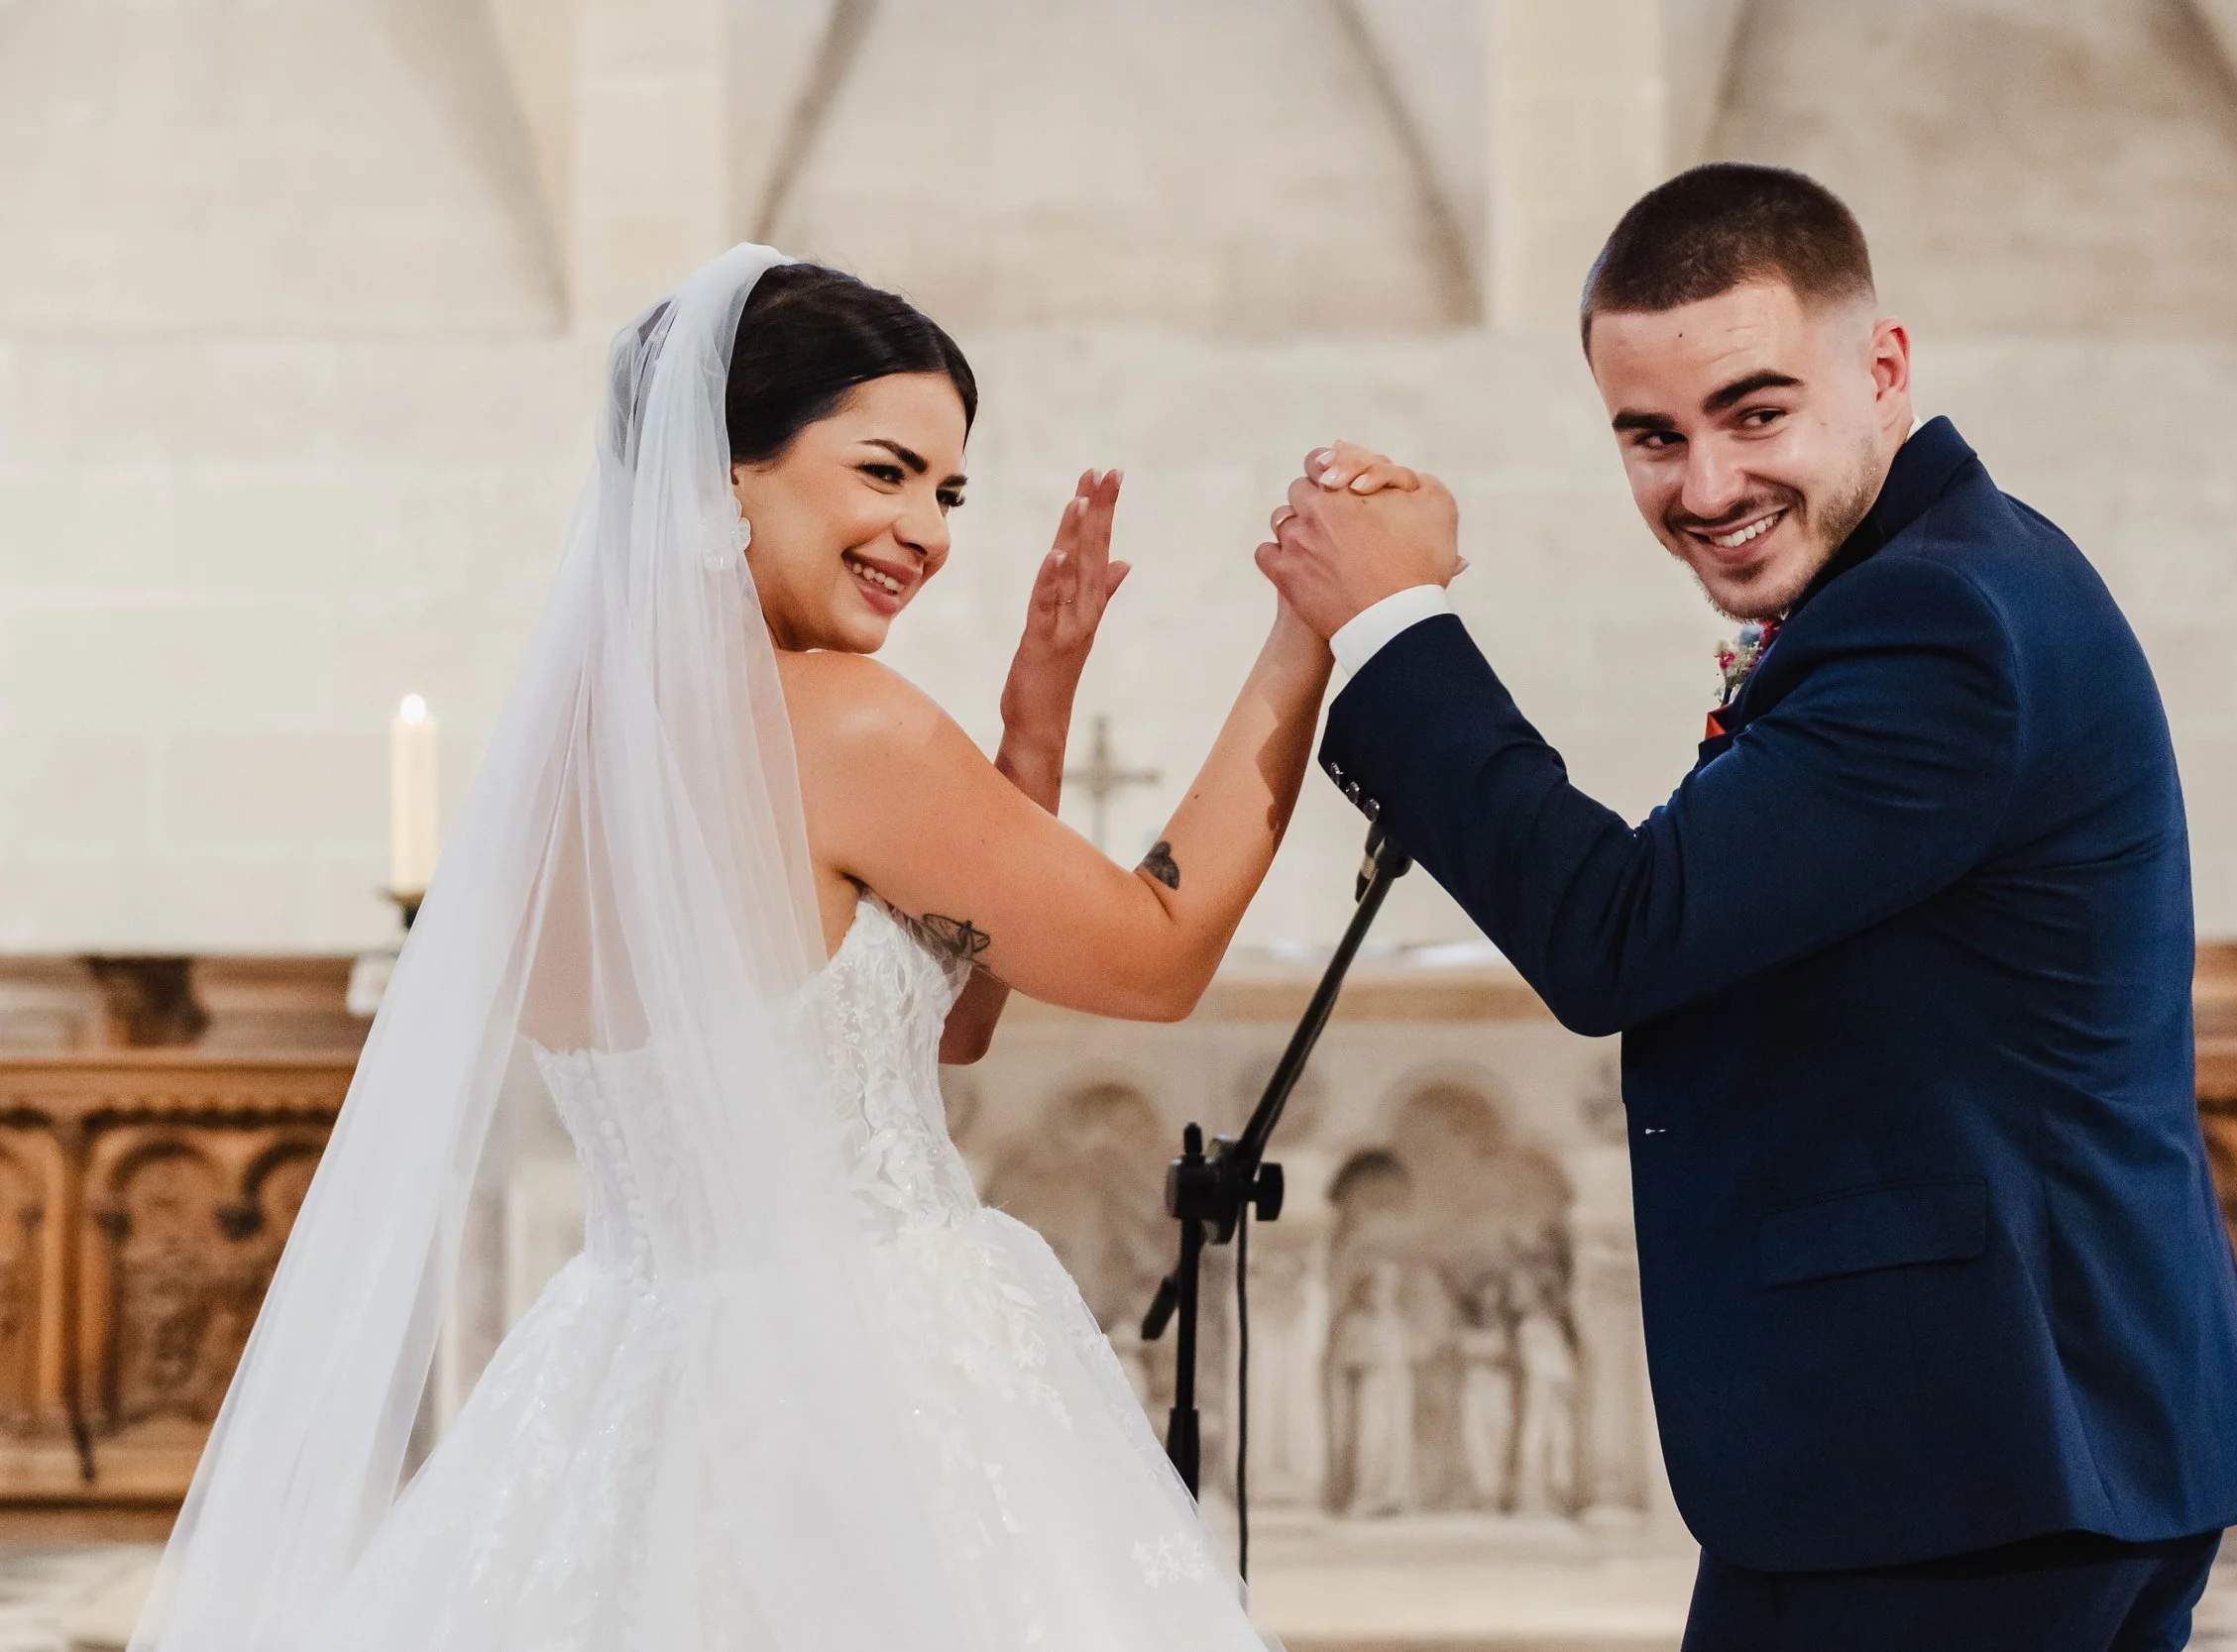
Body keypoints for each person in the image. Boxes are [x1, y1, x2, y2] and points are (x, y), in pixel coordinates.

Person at [133, 246, 1437, 1652]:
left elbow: (940, 1026)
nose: (926, 531)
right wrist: (1314, 629)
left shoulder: (567, 757)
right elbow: (1161, 953)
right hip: (876, 1377)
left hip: (622, 1381)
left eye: (947, 492)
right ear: (725, 473)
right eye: (883, 472)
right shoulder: (843, 722)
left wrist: (1029, 737)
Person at [1255, 164, 2237, 1651]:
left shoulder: (1937, 625)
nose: (1707, 485)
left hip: (1974, 1450)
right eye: (1651, 436)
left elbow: (1621, 932)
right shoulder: (1938, 577)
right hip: (1987, 1438)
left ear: (1882, 370)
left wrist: (1395, 625)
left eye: (1756, 413)